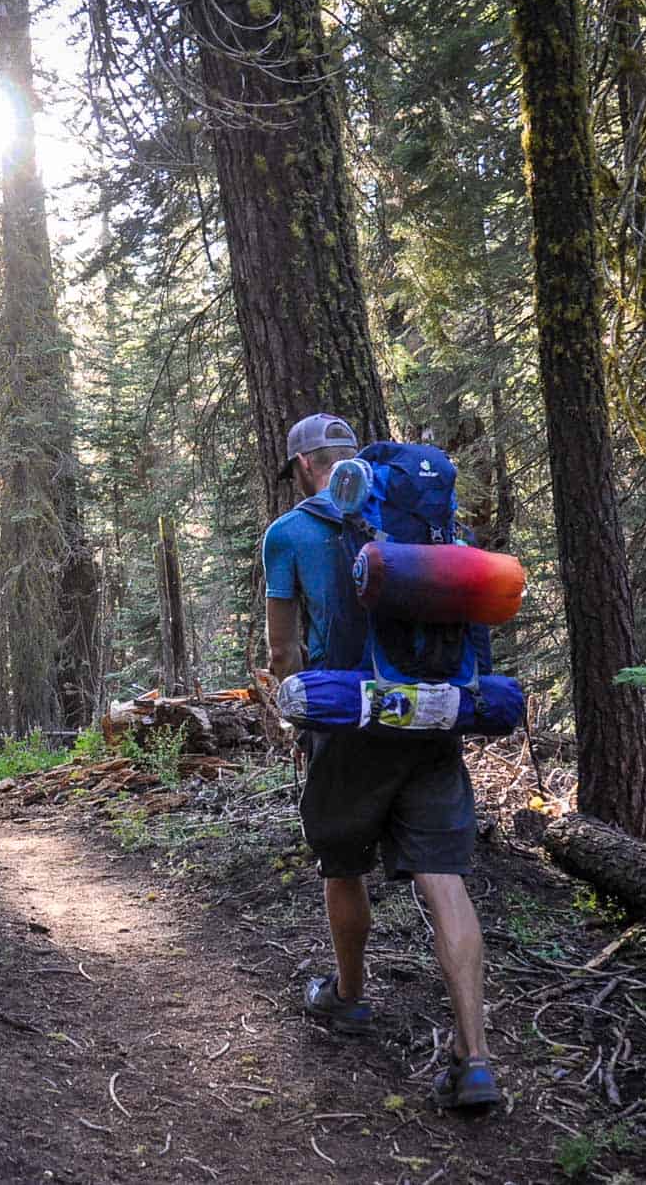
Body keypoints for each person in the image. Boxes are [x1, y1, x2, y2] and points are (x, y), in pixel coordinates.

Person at [262, 412, 501, 1112]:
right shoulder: (438, 532)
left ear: (307, 465)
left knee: (343, 863)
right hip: (433, 722)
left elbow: (283, 651)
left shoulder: (293, 533)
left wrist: (292, 704)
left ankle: (350, 997)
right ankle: (476, 1057)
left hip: (352, 724)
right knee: (443, 880)